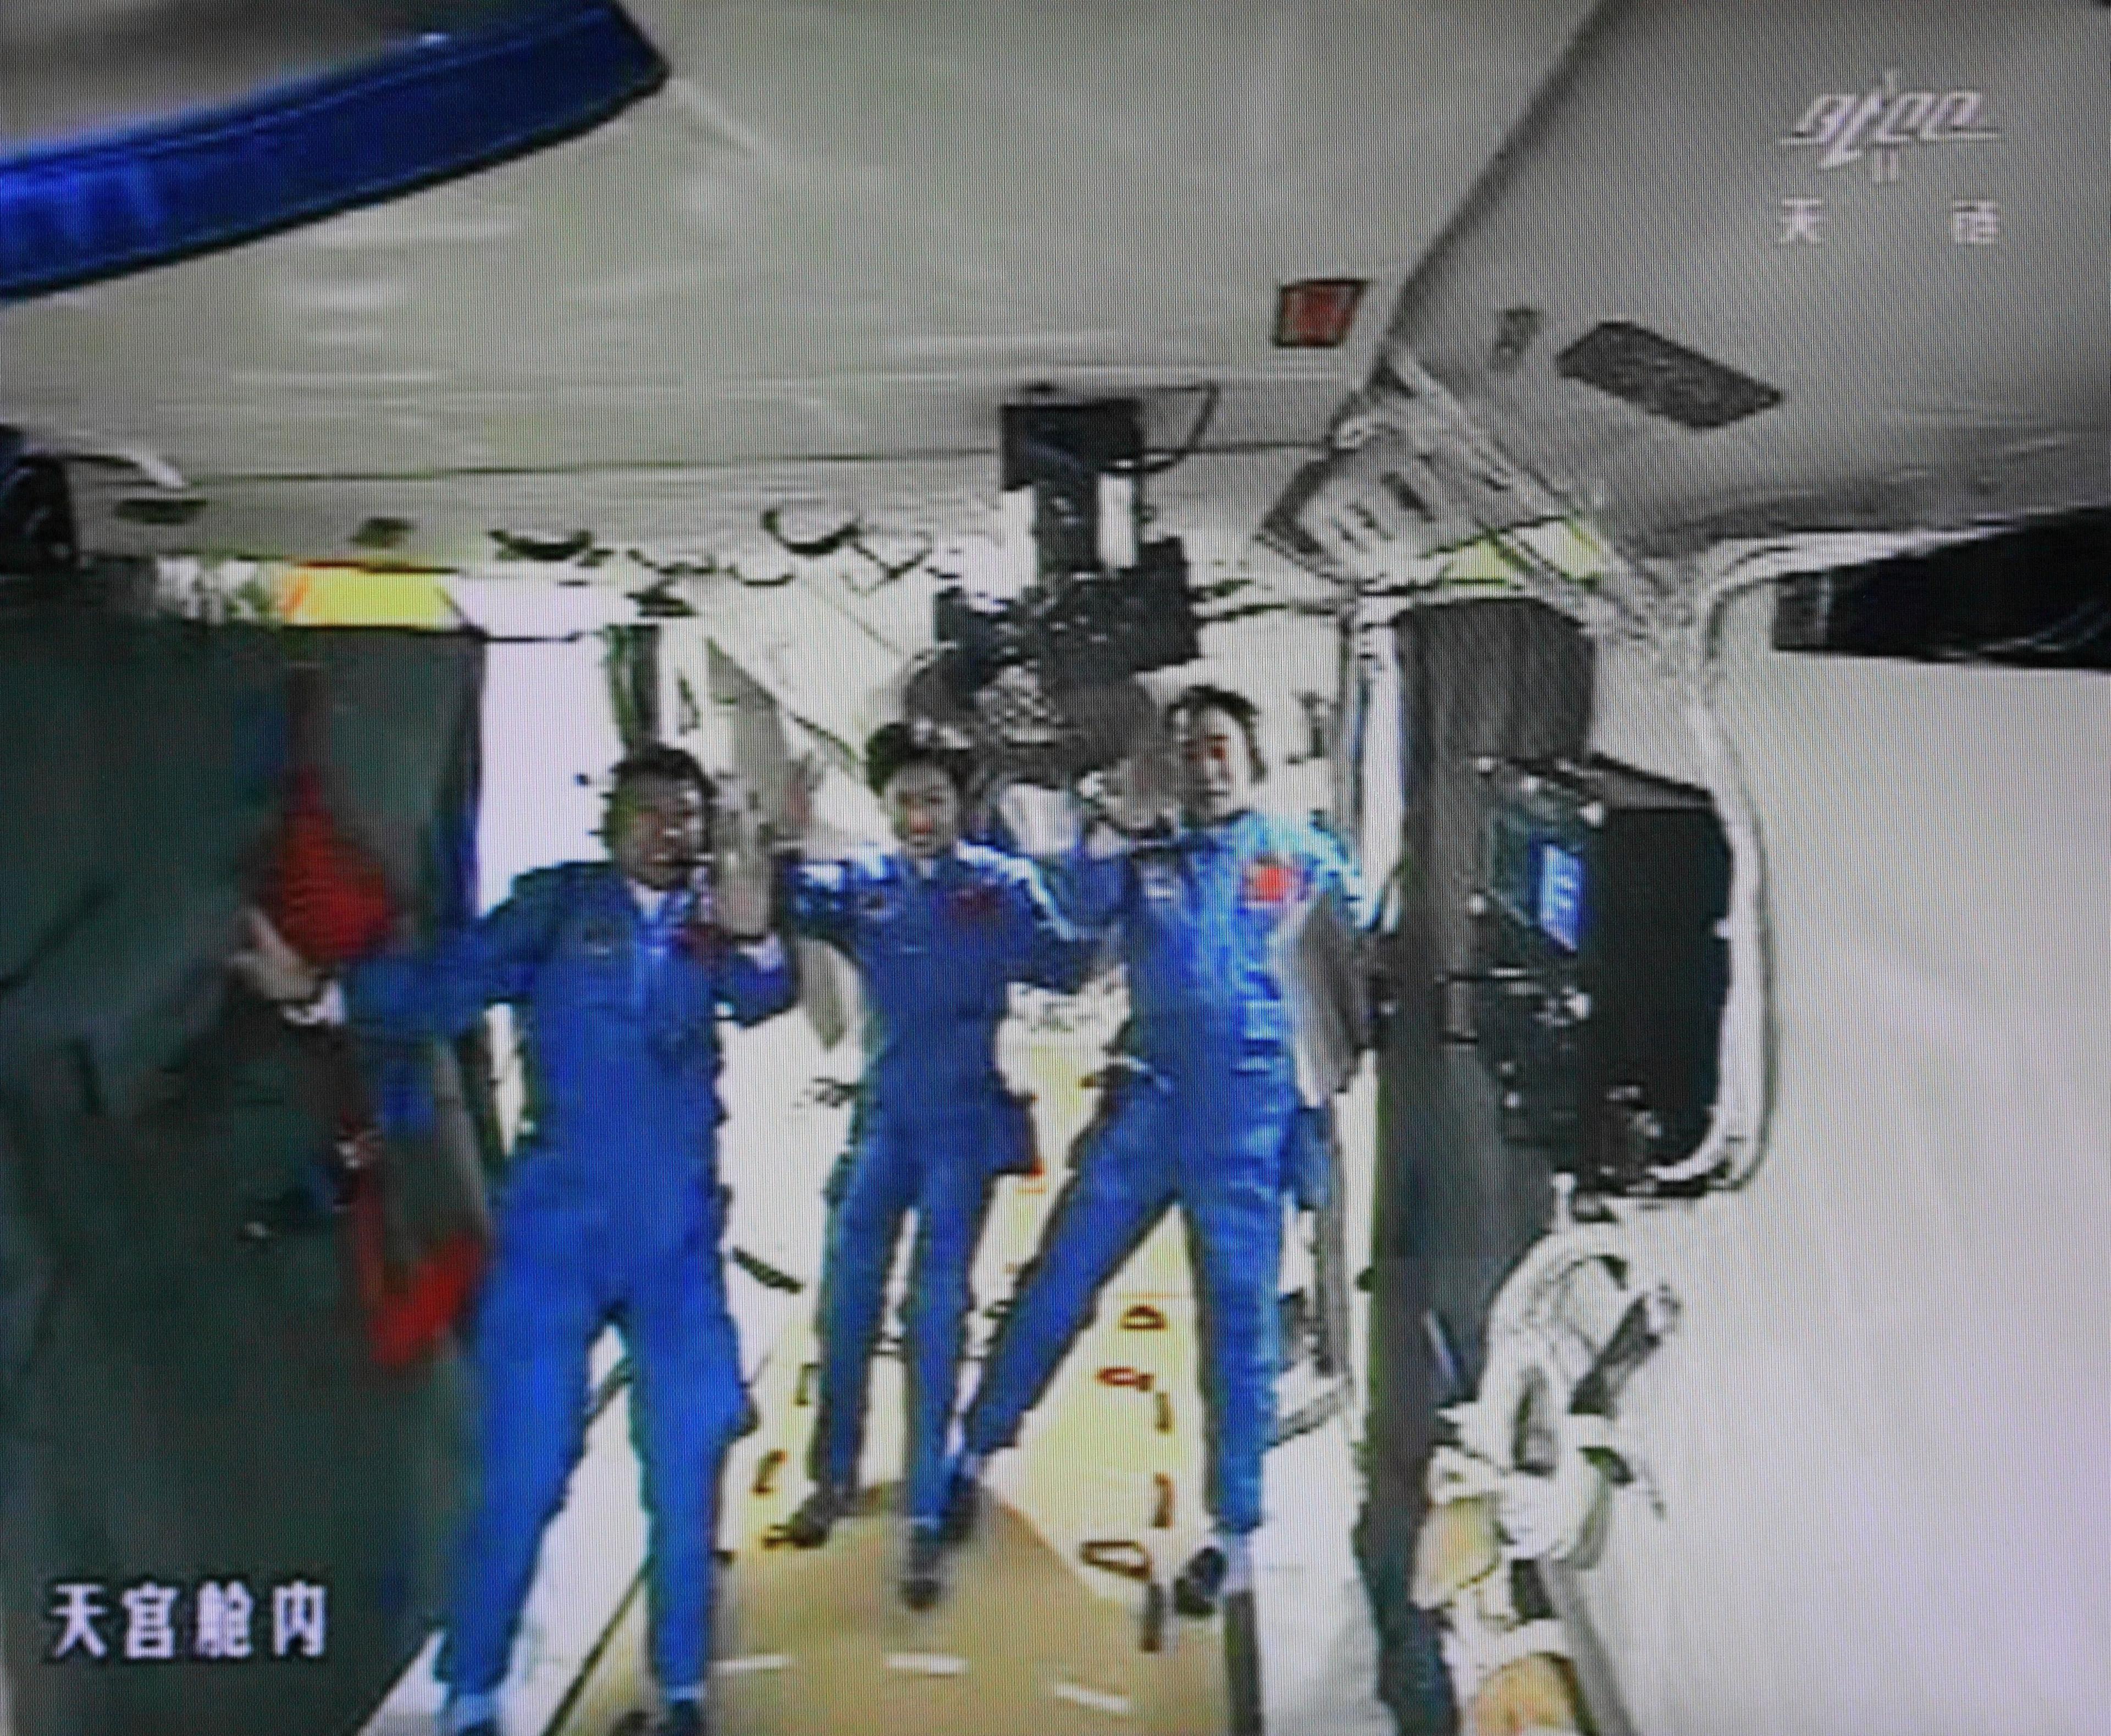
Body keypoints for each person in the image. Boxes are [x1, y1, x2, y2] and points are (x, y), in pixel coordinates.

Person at [228, 744, 793, 1736]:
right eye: (653, 810)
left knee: (687, 1455)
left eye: (689, 816)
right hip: (557, 1231)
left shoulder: (717, 926)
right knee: (524, 1468)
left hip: (675, 1243)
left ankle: (682, 1688)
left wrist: (755, 937)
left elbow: (765, 995)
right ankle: (472, 1694)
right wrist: (316, 993)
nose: (673, 830)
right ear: (610, 816)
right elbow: (448, 984)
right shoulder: (558, 908)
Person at [944, 685, 1361, 1617]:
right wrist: (1109, 823)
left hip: (1247, 1130)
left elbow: (1354, 970)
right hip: (1149, 1105)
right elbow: (1075, 907)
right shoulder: (1143, 857)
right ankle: (971, 1453)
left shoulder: (1302, 857)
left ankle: (1237, 1537)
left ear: (1252, 759)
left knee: (1240, 1329)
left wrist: (1310, 1130)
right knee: (1057, 1278)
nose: (1203, 764)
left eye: (1217, 745)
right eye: (1186, 750)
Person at [773, 721, 1099, 1609]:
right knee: (845, 1301)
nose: (920, 815)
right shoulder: (865, 888)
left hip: (960, 1131)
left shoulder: (1000, 889)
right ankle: (833, 1477)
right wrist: (790, 829)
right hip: (883, 1129)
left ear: (963, 805)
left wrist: (1077, 858)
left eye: (936, 798)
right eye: (905, 799)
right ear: (884, 807)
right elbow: (788, 901)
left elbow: (1070, 964)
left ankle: (923, 1514)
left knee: (936, 1314)